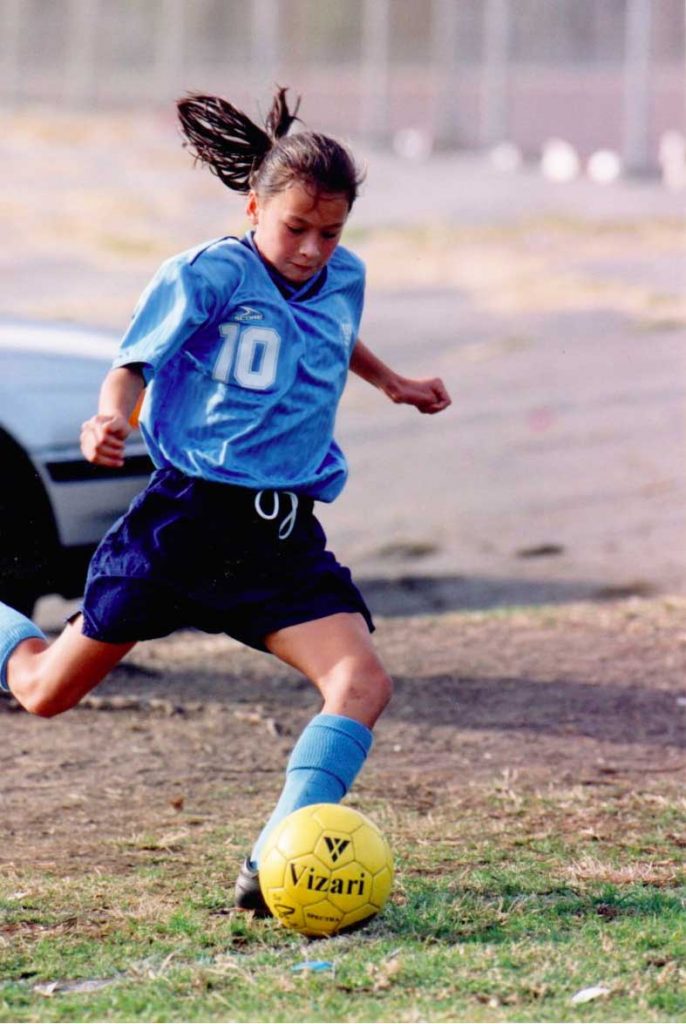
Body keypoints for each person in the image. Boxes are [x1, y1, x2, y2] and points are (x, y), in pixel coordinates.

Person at [0, 88, 450, 914]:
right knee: (43, 692)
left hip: (280, 534)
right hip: (186, 524)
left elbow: (330, 327)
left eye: (332, 232)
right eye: (296, 229)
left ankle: (275, 860)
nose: (314, 249)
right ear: (254, 208)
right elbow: (133, 364)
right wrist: (111, 418)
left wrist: (393, 383)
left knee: (361, 682)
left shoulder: (342, 274)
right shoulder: (209, 273)